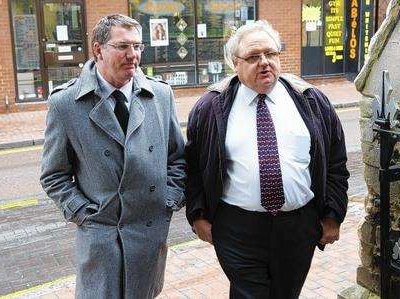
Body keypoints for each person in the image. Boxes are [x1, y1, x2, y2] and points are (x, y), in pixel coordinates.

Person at [185, 20, 349, 298]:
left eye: (271, 54)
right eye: (253, 57)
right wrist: (197, 214)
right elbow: (194, 167)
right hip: (238, 229)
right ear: (234, 63)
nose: (264, 62)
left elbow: (335, 162)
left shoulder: (311, 100)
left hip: (298, 227)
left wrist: (333, 214)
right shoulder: (210, 107)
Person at [40, 14, 185, 298]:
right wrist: (82, 212)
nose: (133, 55)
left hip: (148, 233)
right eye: (122, 47)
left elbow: (177, 158)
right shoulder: (65, 104)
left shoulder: (160, 95)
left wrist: (167, 200)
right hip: (100, 235)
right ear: (98, 50)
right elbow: (54, 175)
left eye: (138, 46)